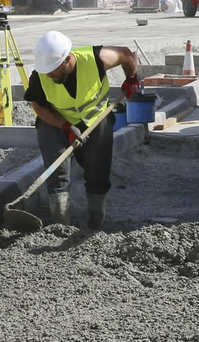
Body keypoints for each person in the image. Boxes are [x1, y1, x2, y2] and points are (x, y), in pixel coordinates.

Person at [27, 30, 140, 230]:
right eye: (46, 71)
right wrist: (65, 127)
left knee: (98, 172)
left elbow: (126, 54)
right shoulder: (40, 76)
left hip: (95, 121)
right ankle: (61, 226)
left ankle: (95, 222)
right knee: (57, 171)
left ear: (68, 59)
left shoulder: (96, 59)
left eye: (53, 70)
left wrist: (131, 78)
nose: (49, 75)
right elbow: (38, 107)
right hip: (57, 122)